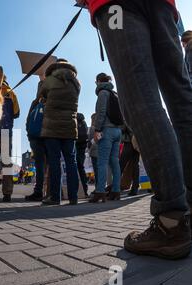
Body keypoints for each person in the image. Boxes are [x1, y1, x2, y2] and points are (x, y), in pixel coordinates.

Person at [80, 0, 192, 259]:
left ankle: (171, 223)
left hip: (117, 6)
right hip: (163, 6)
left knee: (141, 98)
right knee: (181, 97)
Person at [40, 59, 81, 206]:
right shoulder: (76, 82)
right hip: (70, 126)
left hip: (51, 127)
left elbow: (41, 95)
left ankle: (55, 197)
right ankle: (73, 197)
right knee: (71, 162)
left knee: (54, 162)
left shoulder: (49, 80)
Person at [89, 73, 122, 203]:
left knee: (102, 162)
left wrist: (97, 129)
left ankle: (100, 192)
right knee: (115, 161)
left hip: (106, 130)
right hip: (117, 131)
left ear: (98, 81)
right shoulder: (115, 93)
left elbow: (101, 112)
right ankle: (116, 191)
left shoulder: (103, 93)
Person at [26, 80, 47, 202]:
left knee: (39, 165)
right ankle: (52, 191)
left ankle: (38, 191)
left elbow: (28, 119)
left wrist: (29, 134)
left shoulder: (35, 102)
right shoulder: (51, 100)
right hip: (48, 135)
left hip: (35, 137)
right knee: (50, 164)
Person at [120, 125, 140, 196]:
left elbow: (123, 128)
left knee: (120, 166)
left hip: (129, 142)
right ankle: (135, 187)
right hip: (137, 142)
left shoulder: (127, 115)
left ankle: (115, 188)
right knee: (135, 166)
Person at [76, 113, 89, 197]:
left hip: (76, 146)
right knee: (81, 168)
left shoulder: (74, 120)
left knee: (74, 168)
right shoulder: (83, 122)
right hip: (82, 147)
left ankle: (75, 190)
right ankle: (85, 190)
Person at [88, 113, 99, 188]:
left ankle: (98, 187)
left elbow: (91, 141)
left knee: (96, 171)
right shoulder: (101, 128)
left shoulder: (92, 128)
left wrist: (90, 148)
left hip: (94, 152)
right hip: (100, 152)